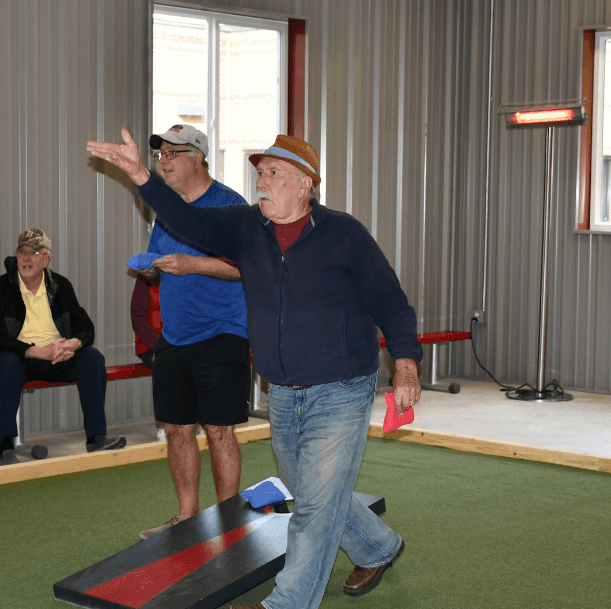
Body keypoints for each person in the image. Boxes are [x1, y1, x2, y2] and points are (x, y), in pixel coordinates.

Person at [88, 130, 422, 609]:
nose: (261, 182)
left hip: (342, 386)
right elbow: (185, 219)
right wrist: (141, 174)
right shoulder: (247, 228)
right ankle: (379, 546)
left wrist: (406, 363)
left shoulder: (344, 234)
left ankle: (287, 603)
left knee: (312, 506)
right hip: (283, 391)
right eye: (259, 173)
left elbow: (391, 302)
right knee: (310, 488)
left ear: (306, 184)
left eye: (274, 173)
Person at [136, 124, 252, 540]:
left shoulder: (230, 206)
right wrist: (153, 267)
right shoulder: (166, 210)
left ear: (199, 156)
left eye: (172, 152)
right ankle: (188, 517)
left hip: (222, 334)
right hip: (175, 336)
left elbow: (247, 269)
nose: (163, 159)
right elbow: (166, 264)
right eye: (159, 154)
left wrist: (193, 264)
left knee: (219, 430)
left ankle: (226, 521)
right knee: (176, 428)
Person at [0, 228, 127, 465]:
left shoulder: (60, 286)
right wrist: (36, 351)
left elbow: (86, 328)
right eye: (22, 252)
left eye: (33, 253)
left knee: (93, 358)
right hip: (20, 358)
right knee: (5, 362)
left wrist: (73, 344)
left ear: (46, 259)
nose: (26, 258)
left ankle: (96, 438)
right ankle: (6, 448)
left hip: (56, 358)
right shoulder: (1, 287)